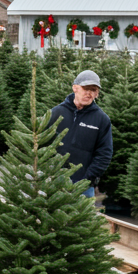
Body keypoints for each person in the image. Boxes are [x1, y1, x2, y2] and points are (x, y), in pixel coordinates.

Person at [49, 70, 113, 199]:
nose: (89, 93)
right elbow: (41, 142)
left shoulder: (101, 119)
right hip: (51, 182)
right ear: (75, 88)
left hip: (82, 187)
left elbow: (104, 153)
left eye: (94, 90)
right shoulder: (56, 113)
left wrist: (87, 179)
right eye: (86, 88)